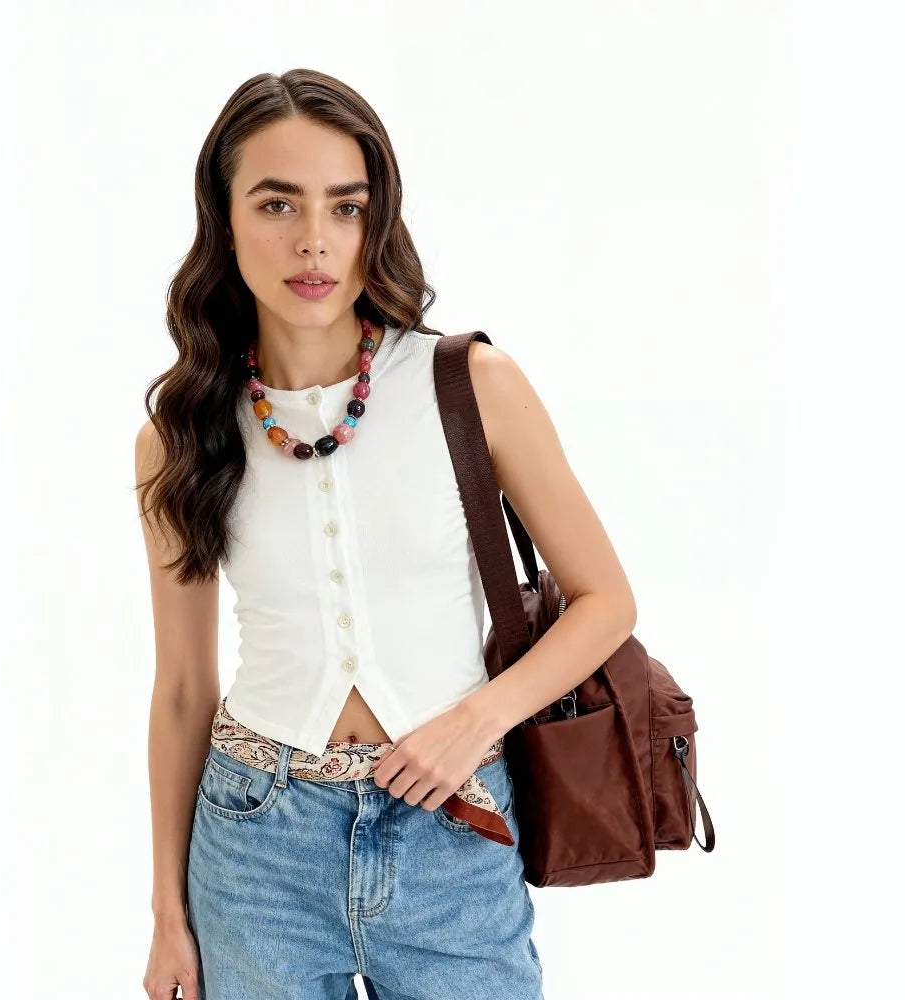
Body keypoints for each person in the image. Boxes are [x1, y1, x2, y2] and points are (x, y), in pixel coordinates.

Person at [135, 68, 637, 1000]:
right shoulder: (182, 434)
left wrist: (475, 722)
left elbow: (606, 601)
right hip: (255, 850)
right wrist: (168, 913)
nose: (314, 240)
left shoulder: (470, 385)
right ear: (224, 219)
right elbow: (181, 691)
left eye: (347, 206)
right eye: (277, 204)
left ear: (378, 220)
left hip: (454, 826)